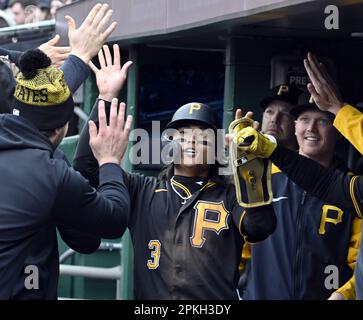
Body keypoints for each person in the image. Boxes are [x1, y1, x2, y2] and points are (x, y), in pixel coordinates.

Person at [73, 44, 277, 300]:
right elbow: (85, 168)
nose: (190, 142)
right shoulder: (142, 188)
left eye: (201, 136)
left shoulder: (230, 195)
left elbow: (260, 227)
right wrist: (105, 95)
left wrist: (250, 168)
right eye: (182, 135)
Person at [0, 3, 125, 299]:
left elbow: (82, 237)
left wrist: (102, 95)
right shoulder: (51, 172)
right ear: (62, 129)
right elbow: (111, 221)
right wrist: (109, 161)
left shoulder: (51, 168)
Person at [239, 93, 361, 300]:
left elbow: (360, 261)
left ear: (338, 130)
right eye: (304, 120)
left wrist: (344, 294)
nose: (311, 129)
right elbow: (240, 248)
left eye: (322, 121)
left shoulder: (351, 188)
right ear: (295, 127)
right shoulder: (264, 178)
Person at [260, 84, 302, 151]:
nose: (274, 119)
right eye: (270, 112)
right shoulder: (247, 156)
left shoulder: (304, 160)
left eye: (285, 114)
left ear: (297, 124)